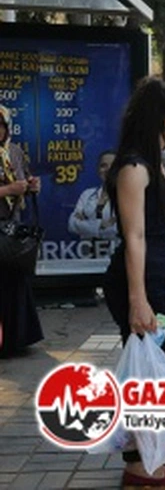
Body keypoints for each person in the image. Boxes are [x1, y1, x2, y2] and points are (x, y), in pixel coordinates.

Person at [101, 78, 165, 486]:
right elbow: (134, 235)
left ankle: (157, 450)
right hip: (140, 284)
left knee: (164, 368)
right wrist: (138, 300)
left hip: (159, 278)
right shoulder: (134, 167)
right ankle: (139, 464)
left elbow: (156, 216)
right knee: (146, 376)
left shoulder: (155, 160)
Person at [0, 105, 43, 357]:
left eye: (1, 125)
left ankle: (16, 339)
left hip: (10, 227)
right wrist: (8, 191)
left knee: (14, 281)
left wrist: (31, 186)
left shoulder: (14, 152)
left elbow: (24, 178)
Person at [69, 150, 118, 240]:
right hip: (86, 253)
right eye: (103, 165)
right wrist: (101, 225)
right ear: (98, 169)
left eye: (113, 165)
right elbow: (72, 224)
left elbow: (120, 229)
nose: (108, 169)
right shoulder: (87, 194)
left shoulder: (128, 197)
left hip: (114, 251)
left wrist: (86, 224)